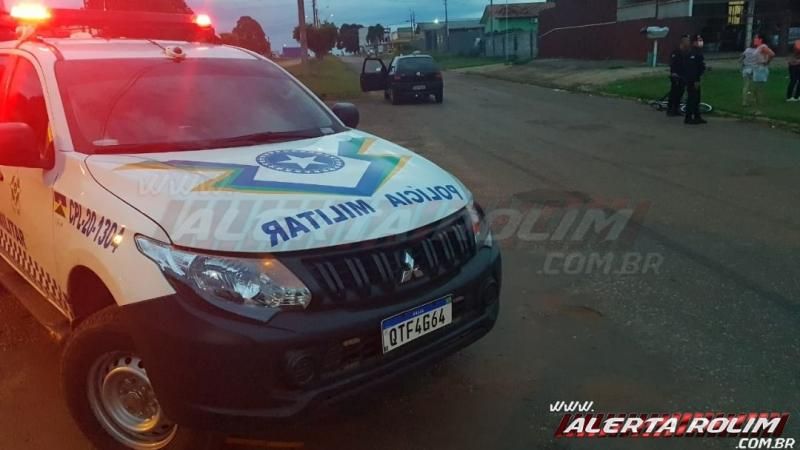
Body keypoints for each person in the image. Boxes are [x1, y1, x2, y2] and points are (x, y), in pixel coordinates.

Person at [740, 33, 775, 111]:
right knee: (756, 88)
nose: (754, 39)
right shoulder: (760, 48)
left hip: (748, 69)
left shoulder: (748, 50)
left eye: (756, 38)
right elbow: (771, 54)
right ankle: (756, 104)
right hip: (755, 69)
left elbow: (741, 59)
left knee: (747, 86)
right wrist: (766, 62)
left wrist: (744, 64)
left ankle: (745, 101)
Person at [683, 34, 707, 125]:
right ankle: (688, 117)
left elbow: (700, 65)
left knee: (697, 98)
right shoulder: (692, 53)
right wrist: (696, 80)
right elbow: (692, 68)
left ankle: (697, 116)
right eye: (699, 41)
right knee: (692, 98)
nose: (701, 43)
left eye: (701, 41)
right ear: (694, 42)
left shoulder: (697, 51)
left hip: (696, 78)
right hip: (692, 79)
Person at [667, 35, 691, 117]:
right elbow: (672, 63)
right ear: (683, 42)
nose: (688, 42)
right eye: (687, 41)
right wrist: (673, 72)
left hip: (683, 76)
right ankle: (670, 109)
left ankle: (676, 109)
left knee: (680, 92)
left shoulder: (687, 53)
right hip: (675, 76)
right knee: (674, 92)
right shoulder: (676, 52)